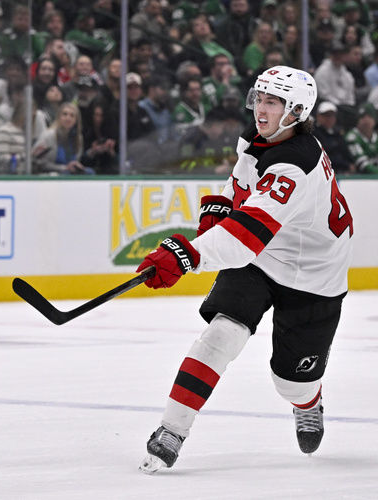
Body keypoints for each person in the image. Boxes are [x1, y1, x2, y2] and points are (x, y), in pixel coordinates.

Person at [135, 65, 353, 473]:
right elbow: (240, 185)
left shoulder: (295, 165)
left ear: (296, 111)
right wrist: (218, 211)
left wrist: (186, 256)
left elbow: (242, 239)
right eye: (259, 99)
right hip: (262, 258)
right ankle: (172, 430)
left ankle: (308, 401)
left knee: (291, 383)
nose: (260, 109)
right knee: (220, 335)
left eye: (272, 102)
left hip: (314, 274)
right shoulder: (263, 139)